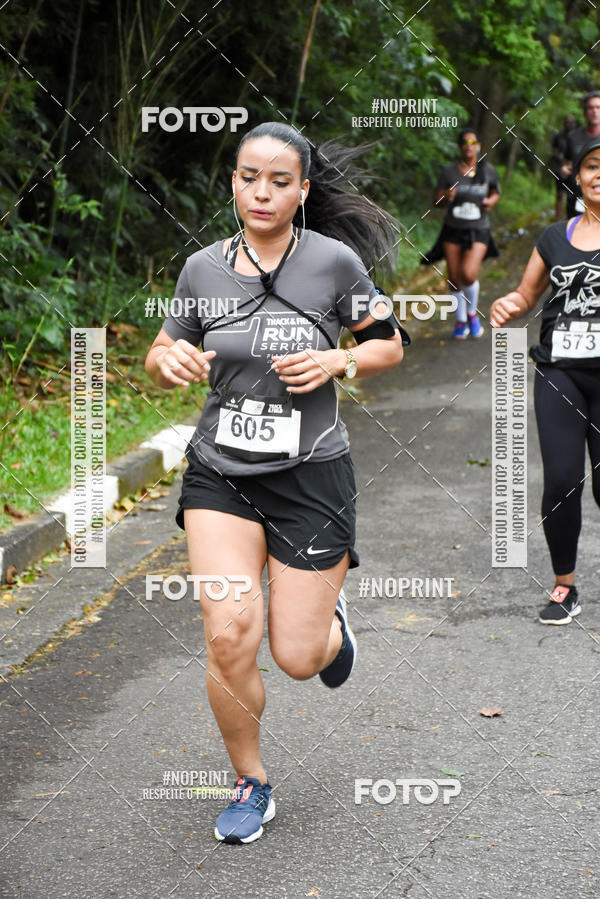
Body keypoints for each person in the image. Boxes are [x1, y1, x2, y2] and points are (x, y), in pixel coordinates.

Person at [144, 122, 408, 844]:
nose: (261, 192)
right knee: (229, 631)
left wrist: (337, 363)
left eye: (279, 180)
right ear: (232, 181)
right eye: (247, 176)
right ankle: (250, 781)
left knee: (295, 656)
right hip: (222, 473)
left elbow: (387, 342)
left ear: (302, 191)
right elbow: (167, 344)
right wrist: (163, 361)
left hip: (312, 473)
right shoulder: (202, 267)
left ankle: (329, 630)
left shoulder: (333, 262)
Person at [490, 136, 600, 626]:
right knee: (561, 479)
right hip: (559, 372)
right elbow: (525, 295)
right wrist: (509, 306)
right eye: (592, 167)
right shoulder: (553, 237)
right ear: (578, 176)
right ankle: (565, 586)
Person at [421, 127, 501, 339]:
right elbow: (436, 201)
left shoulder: (487, 170)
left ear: (479, 146)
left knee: (468, 274)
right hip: (453, 229)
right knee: (455, 278)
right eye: (465, 142)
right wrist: (447, 195)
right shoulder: (449, 172)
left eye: (473, 142)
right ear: (460, 147)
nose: (469, 146)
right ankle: (461, 320)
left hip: (479, 229)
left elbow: (495, 192)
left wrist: (491, 201)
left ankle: (472, 313)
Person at [561, 91, 600, 218]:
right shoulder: (573, 137)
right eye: (591, 108)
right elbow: (566, 162)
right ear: (584, 112)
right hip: (576, 196)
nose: (594, 111)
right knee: (574, 234)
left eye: (598, 107)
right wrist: (565, 169)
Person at [550, 114, 576, 220]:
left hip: (573, 170)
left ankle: (571, 218)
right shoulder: (559, 135)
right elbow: (554, 150)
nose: (568, 124)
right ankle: (558, 218)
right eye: (566, 122)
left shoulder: (577, 136)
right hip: (560, 168)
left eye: (570, 122)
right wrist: (560, 158)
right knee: (559, 195)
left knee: (572, 196)